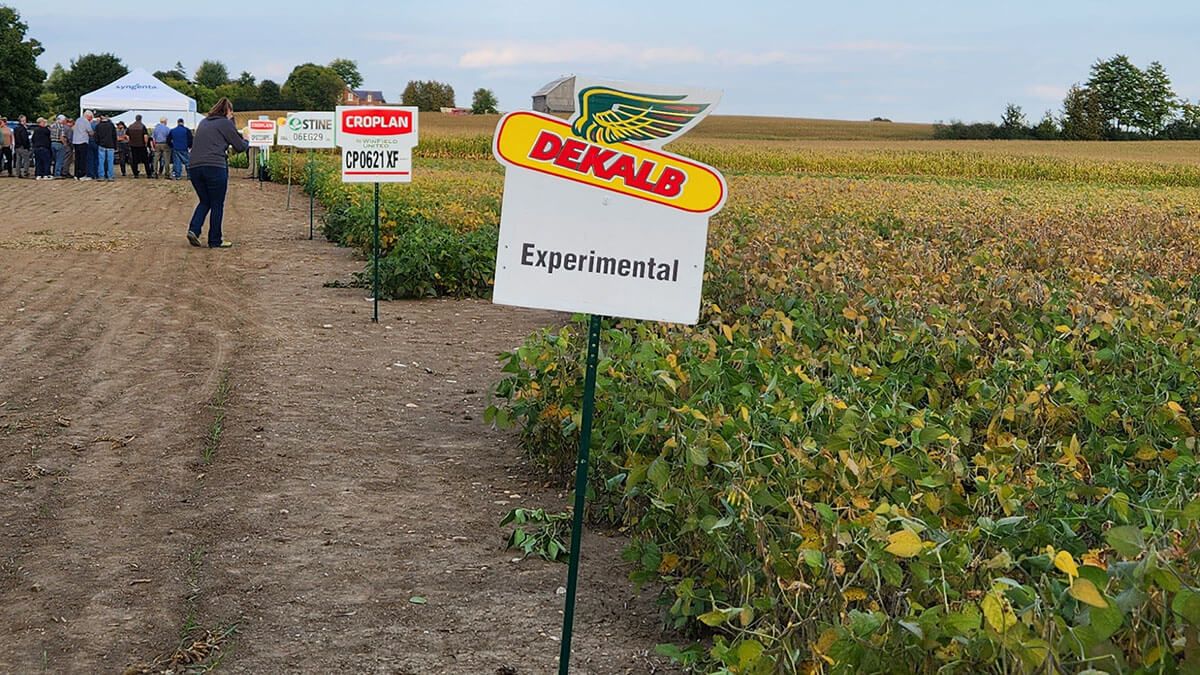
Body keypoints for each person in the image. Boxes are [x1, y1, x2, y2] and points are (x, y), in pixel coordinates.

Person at [186, 98, 249, 249]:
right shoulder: (225, 123)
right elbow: (240, 147)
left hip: (194, 167)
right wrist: (247, 139)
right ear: (227, 111)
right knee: (217, 204)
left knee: (205, 200)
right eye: (231, 111)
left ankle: (194, 229)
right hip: (214, 166)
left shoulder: (204, 122)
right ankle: (215, 240)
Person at [94, 114, 118, 181]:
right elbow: (114, 136)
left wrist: (98, 143)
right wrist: (115, 146)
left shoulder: (98, 126)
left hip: (101, 145)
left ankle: (101, 176)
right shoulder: (111, 125)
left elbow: (96, 137)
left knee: (101, 161)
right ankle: (110, 176)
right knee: (110, 161)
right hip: (110, 145)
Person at [72, 111, 93, 180]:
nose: (91, 119)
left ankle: (76, 174)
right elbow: (90, 131)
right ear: (88, 116)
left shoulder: (78, 120)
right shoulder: (86, 121)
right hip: (83, 141)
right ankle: (82, 175)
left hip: (75, 141)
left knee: (77, 159)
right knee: (83, 159)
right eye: (90, 117)